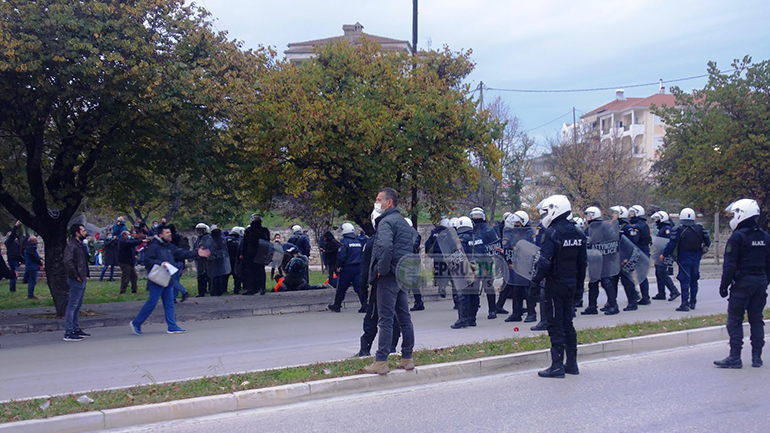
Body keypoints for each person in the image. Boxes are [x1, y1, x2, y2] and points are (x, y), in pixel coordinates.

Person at [529, 195, 587, 378]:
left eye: (546, 211)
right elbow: (582, 264)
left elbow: (545, 262)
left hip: (555, 285)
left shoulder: (552, 233)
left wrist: (534, 282)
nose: (544, 215)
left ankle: (556, 366)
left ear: (555, 209)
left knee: (555, 325)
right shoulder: (578, 233)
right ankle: (572, 364)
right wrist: (579, 289)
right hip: (571, 284)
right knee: (568, 323)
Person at [363, 187, 415, 375]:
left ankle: (381, 361)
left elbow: (384, 247)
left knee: (385, 319)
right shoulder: (402, 222)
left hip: (389, 276)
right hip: (402, 274)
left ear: (389, 202)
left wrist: (381, 270)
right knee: (404, 318)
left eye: (378, 199)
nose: (376, 203)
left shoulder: (385, 222)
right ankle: (407, 358)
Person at [714, 199, 769, 369]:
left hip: (743, 283)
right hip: (760, 282)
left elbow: (730, 265)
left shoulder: (737, 237)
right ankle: (757, 358)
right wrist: (765, 281)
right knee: (756, 319)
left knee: (735, 320)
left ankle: (735, 357)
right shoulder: (765, 236)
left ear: (741, 214)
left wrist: (724, 286)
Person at [130, 225, 210, 335]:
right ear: (160, 235)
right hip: (157, 279)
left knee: (169, 304)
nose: (170, 234)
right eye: (167, 233)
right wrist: (160, 263)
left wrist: (197, 253)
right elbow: (147, 261)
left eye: (170, 233)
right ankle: (136, 323)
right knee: (152, 303)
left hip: (168, 279)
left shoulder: (169, 246)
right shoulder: (154, 246)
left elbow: (181, 253)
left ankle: (172, 326)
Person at [357, 209, 401, 357]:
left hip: (381, 283)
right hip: (398, 281)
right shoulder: (399, 238)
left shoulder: (374, 242)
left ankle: (365, 349)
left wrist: (363, 286)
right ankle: (393, 347)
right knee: (396, 315)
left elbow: (366, 267)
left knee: (373, 316)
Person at [662, 208, 711, 311]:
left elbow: (672, 244)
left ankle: (684, 303)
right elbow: (708, 242)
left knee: (684, 279)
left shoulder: (678, 229)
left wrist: (665, 254)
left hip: (684, 256)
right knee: (694, 278)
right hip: (697, 256)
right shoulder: (700, 228)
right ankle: (693, 302)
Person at [582, 206, 620, 316]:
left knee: (606, 281)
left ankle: (613, 305)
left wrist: (611, 257)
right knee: (593, 283)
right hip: (594, 259)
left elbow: (613, 241)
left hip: (605, 259)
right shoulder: (589, 228)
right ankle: (592, 306)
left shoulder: (605, 226)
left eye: (589, 215)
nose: (587, 217)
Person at [469, 207, 504, 319]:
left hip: (486, 262)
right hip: (473, 263)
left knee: (488, 286)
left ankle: (492, 310)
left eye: (478, 216)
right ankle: (473, 310)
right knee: (473, 287)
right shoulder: (470, 231)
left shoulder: (489, 231)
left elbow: (495, 246)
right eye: (475, 217)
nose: (476, 218)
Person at [328, 223, 365, 312]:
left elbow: (341, 256)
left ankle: (337, 305)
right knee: (359, 287)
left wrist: (338, 266)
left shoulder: (344, 242)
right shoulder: (358, 242)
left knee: (341, 288)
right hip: (358, 267)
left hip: (347, 268)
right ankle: (364, 305)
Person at [63, 224, 91, 341]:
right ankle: (69, 331)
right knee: (72, 305)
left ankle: (75, 328)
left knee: (77, 305)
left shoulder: (79, 245)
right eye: (83, 231)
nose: (85, 232)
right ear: (77, 233)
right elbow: (67, 261)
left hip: (81, 277)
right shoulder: (72, 246)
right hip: (76, 279)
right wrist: (76, 275)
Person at [650, 211, 680, 301]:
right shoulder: (662, 228)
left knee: (662, 272)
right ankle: (661, 292)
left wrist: (664, 253)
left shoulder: (667, 228)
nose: (656, 221)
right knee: (658, 273)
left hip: (664, 253)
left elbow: (667, 241)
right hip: (659, 253)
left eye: (657, 219)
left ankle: (674, 291)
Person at [627, 205, 652, 305]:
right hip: (643, 251)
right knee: (640, 275)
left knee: (640, 275)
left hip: (640, 252)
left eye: (632, 213)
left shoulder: (638, 226)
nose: (630, 215)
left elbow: (634, 240)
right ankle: (643, 295)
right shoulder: (643, 224)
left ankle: (644, 296)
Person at [404, 217, 425, 311]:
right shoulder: (410, 233)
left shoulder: (413, 234)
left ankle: (418, 302)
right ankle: (418, 302)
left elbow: (412, 246)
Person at [205, 225, 231, 296]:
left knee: (218, 276)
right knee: (214, 276)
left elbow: (224, 249)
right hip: (213, 259)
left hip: (220, 259)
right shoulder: (210, 239)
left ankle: (218, 291)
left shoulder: (221, 239)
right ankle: (214, 291)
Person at [193, 223, 211, 297]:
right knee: (200, 276)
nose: (199, 232)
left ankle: (211, 290)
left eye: (201, 230)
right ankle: (201, 292)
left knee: (209, 275)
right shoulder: (198, 239)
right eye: (198, 230)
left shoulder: (208, 238)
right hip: (200, 260)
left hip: (207, 259)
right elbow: (196, 246)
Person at [5, 221, 22, 293]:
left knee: (15, 274)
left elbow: (18, 252)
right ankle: (12, 290)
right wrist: (16, 226)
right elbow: (12, 234)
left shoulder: (15, 243)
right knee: (14, 274)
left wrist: (20, 260)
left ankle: (13, 289)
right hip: (12, 259)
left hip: (15, 259)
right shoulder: (8, 242)